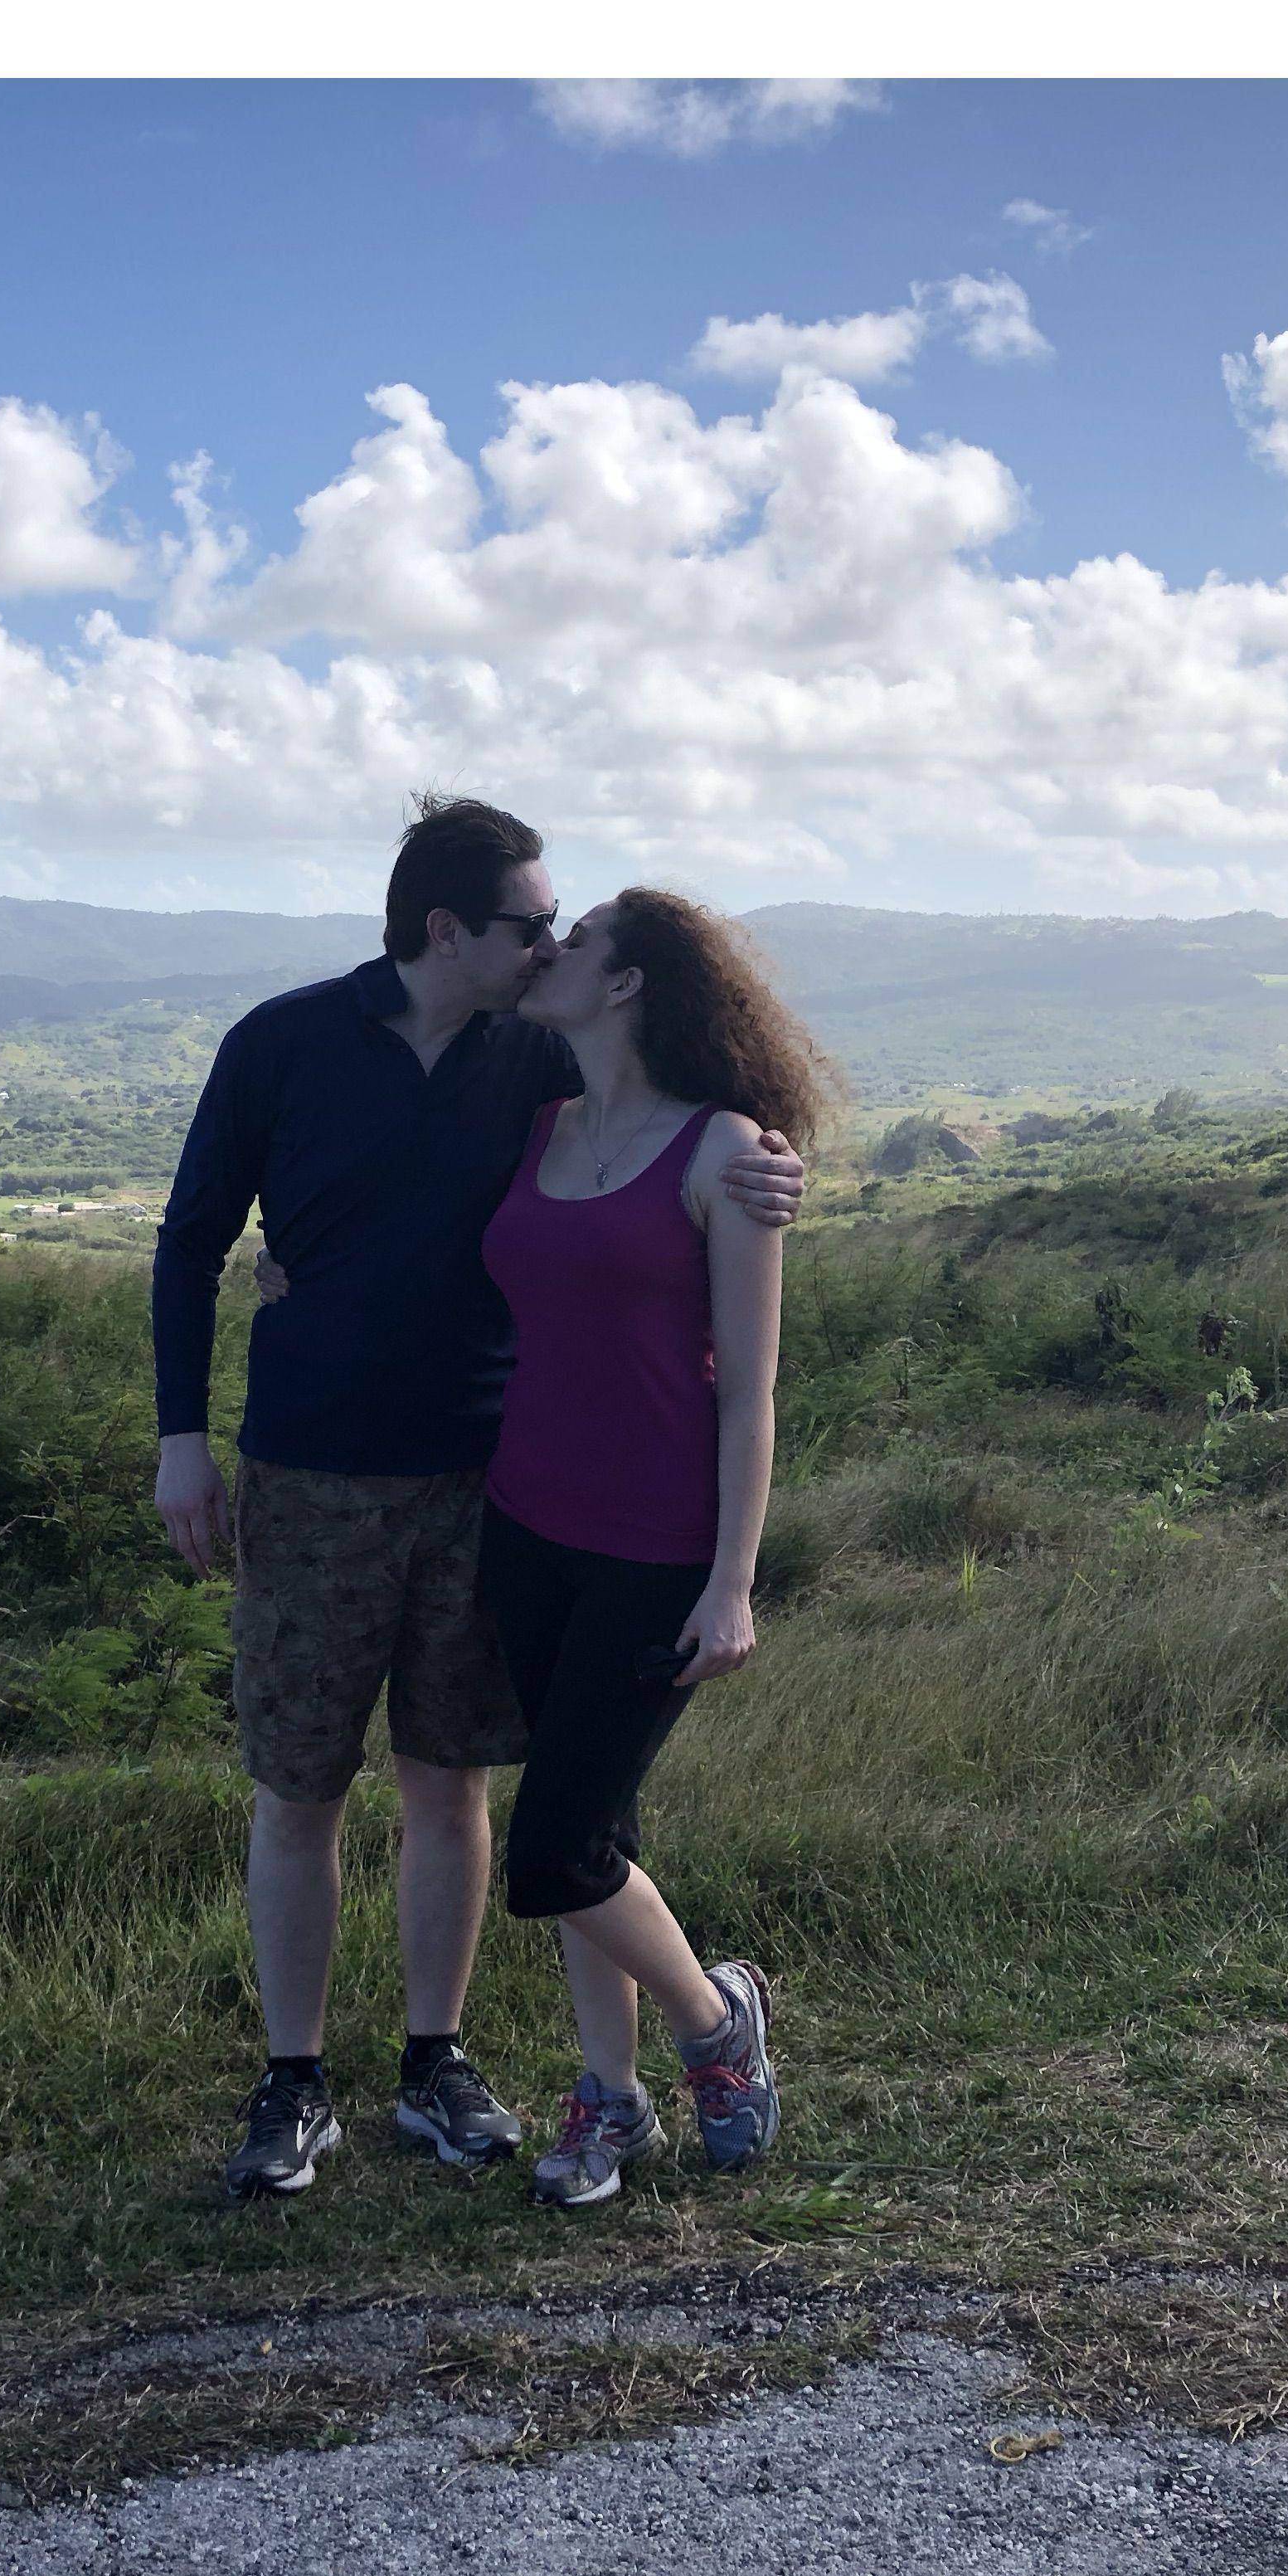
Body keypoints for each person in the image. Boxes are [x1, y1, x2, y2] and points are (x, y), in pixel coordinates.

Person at [151, 796, 803, 2199]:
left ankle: (436, 2063)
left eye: (566, 928)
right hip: (314, 1471)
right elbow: (198, 1238)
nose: (551, 941)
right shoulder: (284, 1044)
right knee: (297, 1786)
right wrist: (179, 1438)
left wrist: (766, 1160)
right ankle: (292, 2081)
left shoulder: (537, 1060)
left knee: (452, 1783)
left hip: (490, 1486)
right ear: (448, 931)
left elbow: (689, 1134)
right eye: (531, 923)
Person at [474, 889, 831, 2205]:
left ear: (627, 986)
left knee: (555, 1846)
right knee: (600, 1829)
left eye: (575, 943)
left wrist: (734, 1579)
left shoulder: (726, 1153)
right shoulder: (542, 1123)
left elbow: (750, 1389)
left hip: (654, 1546)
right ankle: (608, 2100)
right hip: (526, 1525)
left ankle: (712, 2023)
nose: (548, 953)